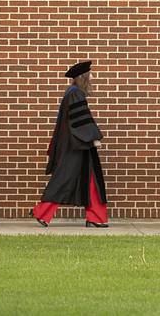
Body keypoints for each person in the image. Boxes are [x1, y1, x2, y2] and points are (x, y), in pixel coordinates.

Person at [31, 61, 108, 228]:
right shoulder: (75, 94)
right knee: (63, 179)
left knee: (91, 180)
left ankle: (95, 217)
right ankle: (42, 212)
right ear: (83, 77)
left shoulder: (72, 92)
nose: (93, 77)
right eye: (90, 74)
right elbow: (80, 120)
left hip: (78, 145)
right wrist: (93, 137)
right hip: (75, 146)